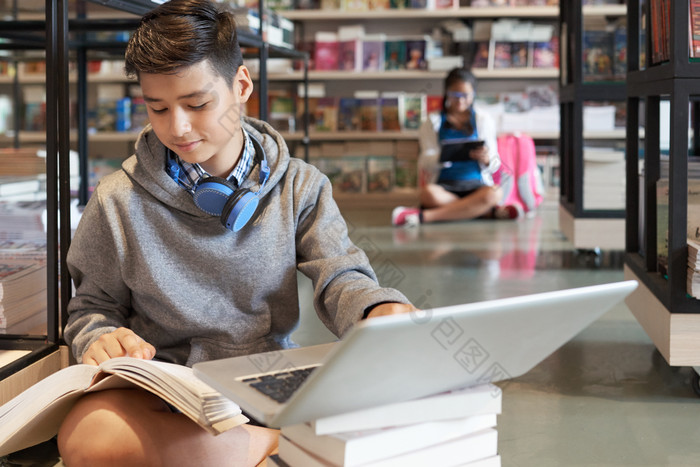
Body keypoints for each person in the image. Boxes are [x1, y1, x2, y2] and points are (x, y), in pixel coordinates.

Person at [56, 1, 415, 465]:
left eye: (197, 104)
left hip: (268, 384)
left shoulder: (300, 186)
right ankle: (275, 449)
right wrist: (98, 336)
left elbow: (340, 274)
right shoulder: (116, 199)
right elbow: (92, 308)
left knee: (412, 398)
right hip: (167, 393)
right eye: (158, 107)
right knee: (89, 437)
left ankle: (234, 451)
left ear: (241, 85)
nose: (177, 127)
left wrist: (377, 308)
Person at [392, 68, 522, 227]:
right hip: (445, 186)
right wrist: (443, 155)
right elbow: (424, 163)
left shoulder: (483, 119)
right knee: (428, 194)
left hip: (476, 185)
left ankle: (425, 217)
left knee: (495, 192)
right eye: (455, 95)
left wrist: (487, 159)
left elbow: (495, 165)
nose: (460, 100)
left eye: (466, 95)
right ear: (446, 93)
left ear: (473, 94)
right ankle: (485, 212)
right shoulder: (432, 121)